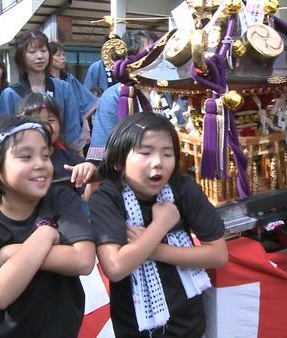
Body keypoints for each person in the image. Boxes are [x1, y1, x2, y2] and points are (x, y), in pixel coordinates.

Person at [0, 115, 97, 337]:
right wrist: (46, 234)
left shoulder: (60, 199)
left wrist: (13, 252)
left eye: (45, 155)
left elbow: (84, 260)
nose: (40, 164)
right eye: (25, 156)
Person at [90, 112, 227, 337]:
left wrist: (152, 249)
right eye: (145, 153)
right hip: (134, 327)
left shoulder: (183, 190)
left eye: (167, 154)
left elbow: (218, 254)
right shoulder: (108, 198)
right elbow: (115, 267)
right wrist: (161, 225)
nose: (158, 163)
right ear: (118, 161)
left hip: (188, 323)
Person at [0, 31, 82, 152]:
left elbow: (72, 128)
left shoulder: (64, 88)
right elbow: (2, 132)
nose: (40, 56)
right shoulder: (10, 94)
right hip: (25, 158)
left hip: (61, 157)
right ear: (21, 57)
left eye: (43, 50)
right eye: (32, 52)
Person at [86, 30, 157, 163]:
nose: (155, 59)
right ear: (130, 58)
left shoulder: (167, 90)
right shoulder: (114, 95)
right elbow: (102, 147)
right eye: (149, 53)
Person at [20, 92, 99, 201]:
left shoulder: (72, 162)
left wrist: (92, 177)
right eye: (37, 121)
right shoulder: (16, 162)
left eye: (51, 120)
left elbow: (86, 198)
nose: (45, 126)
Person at [49, 41, 98, 150]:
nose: (62, 58)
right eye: (58, 55)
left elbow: (84, 102)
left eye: (63, 55)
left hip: (72, 123)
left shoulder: (69, 78)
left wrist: (85, 124)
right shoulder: (45, 82)